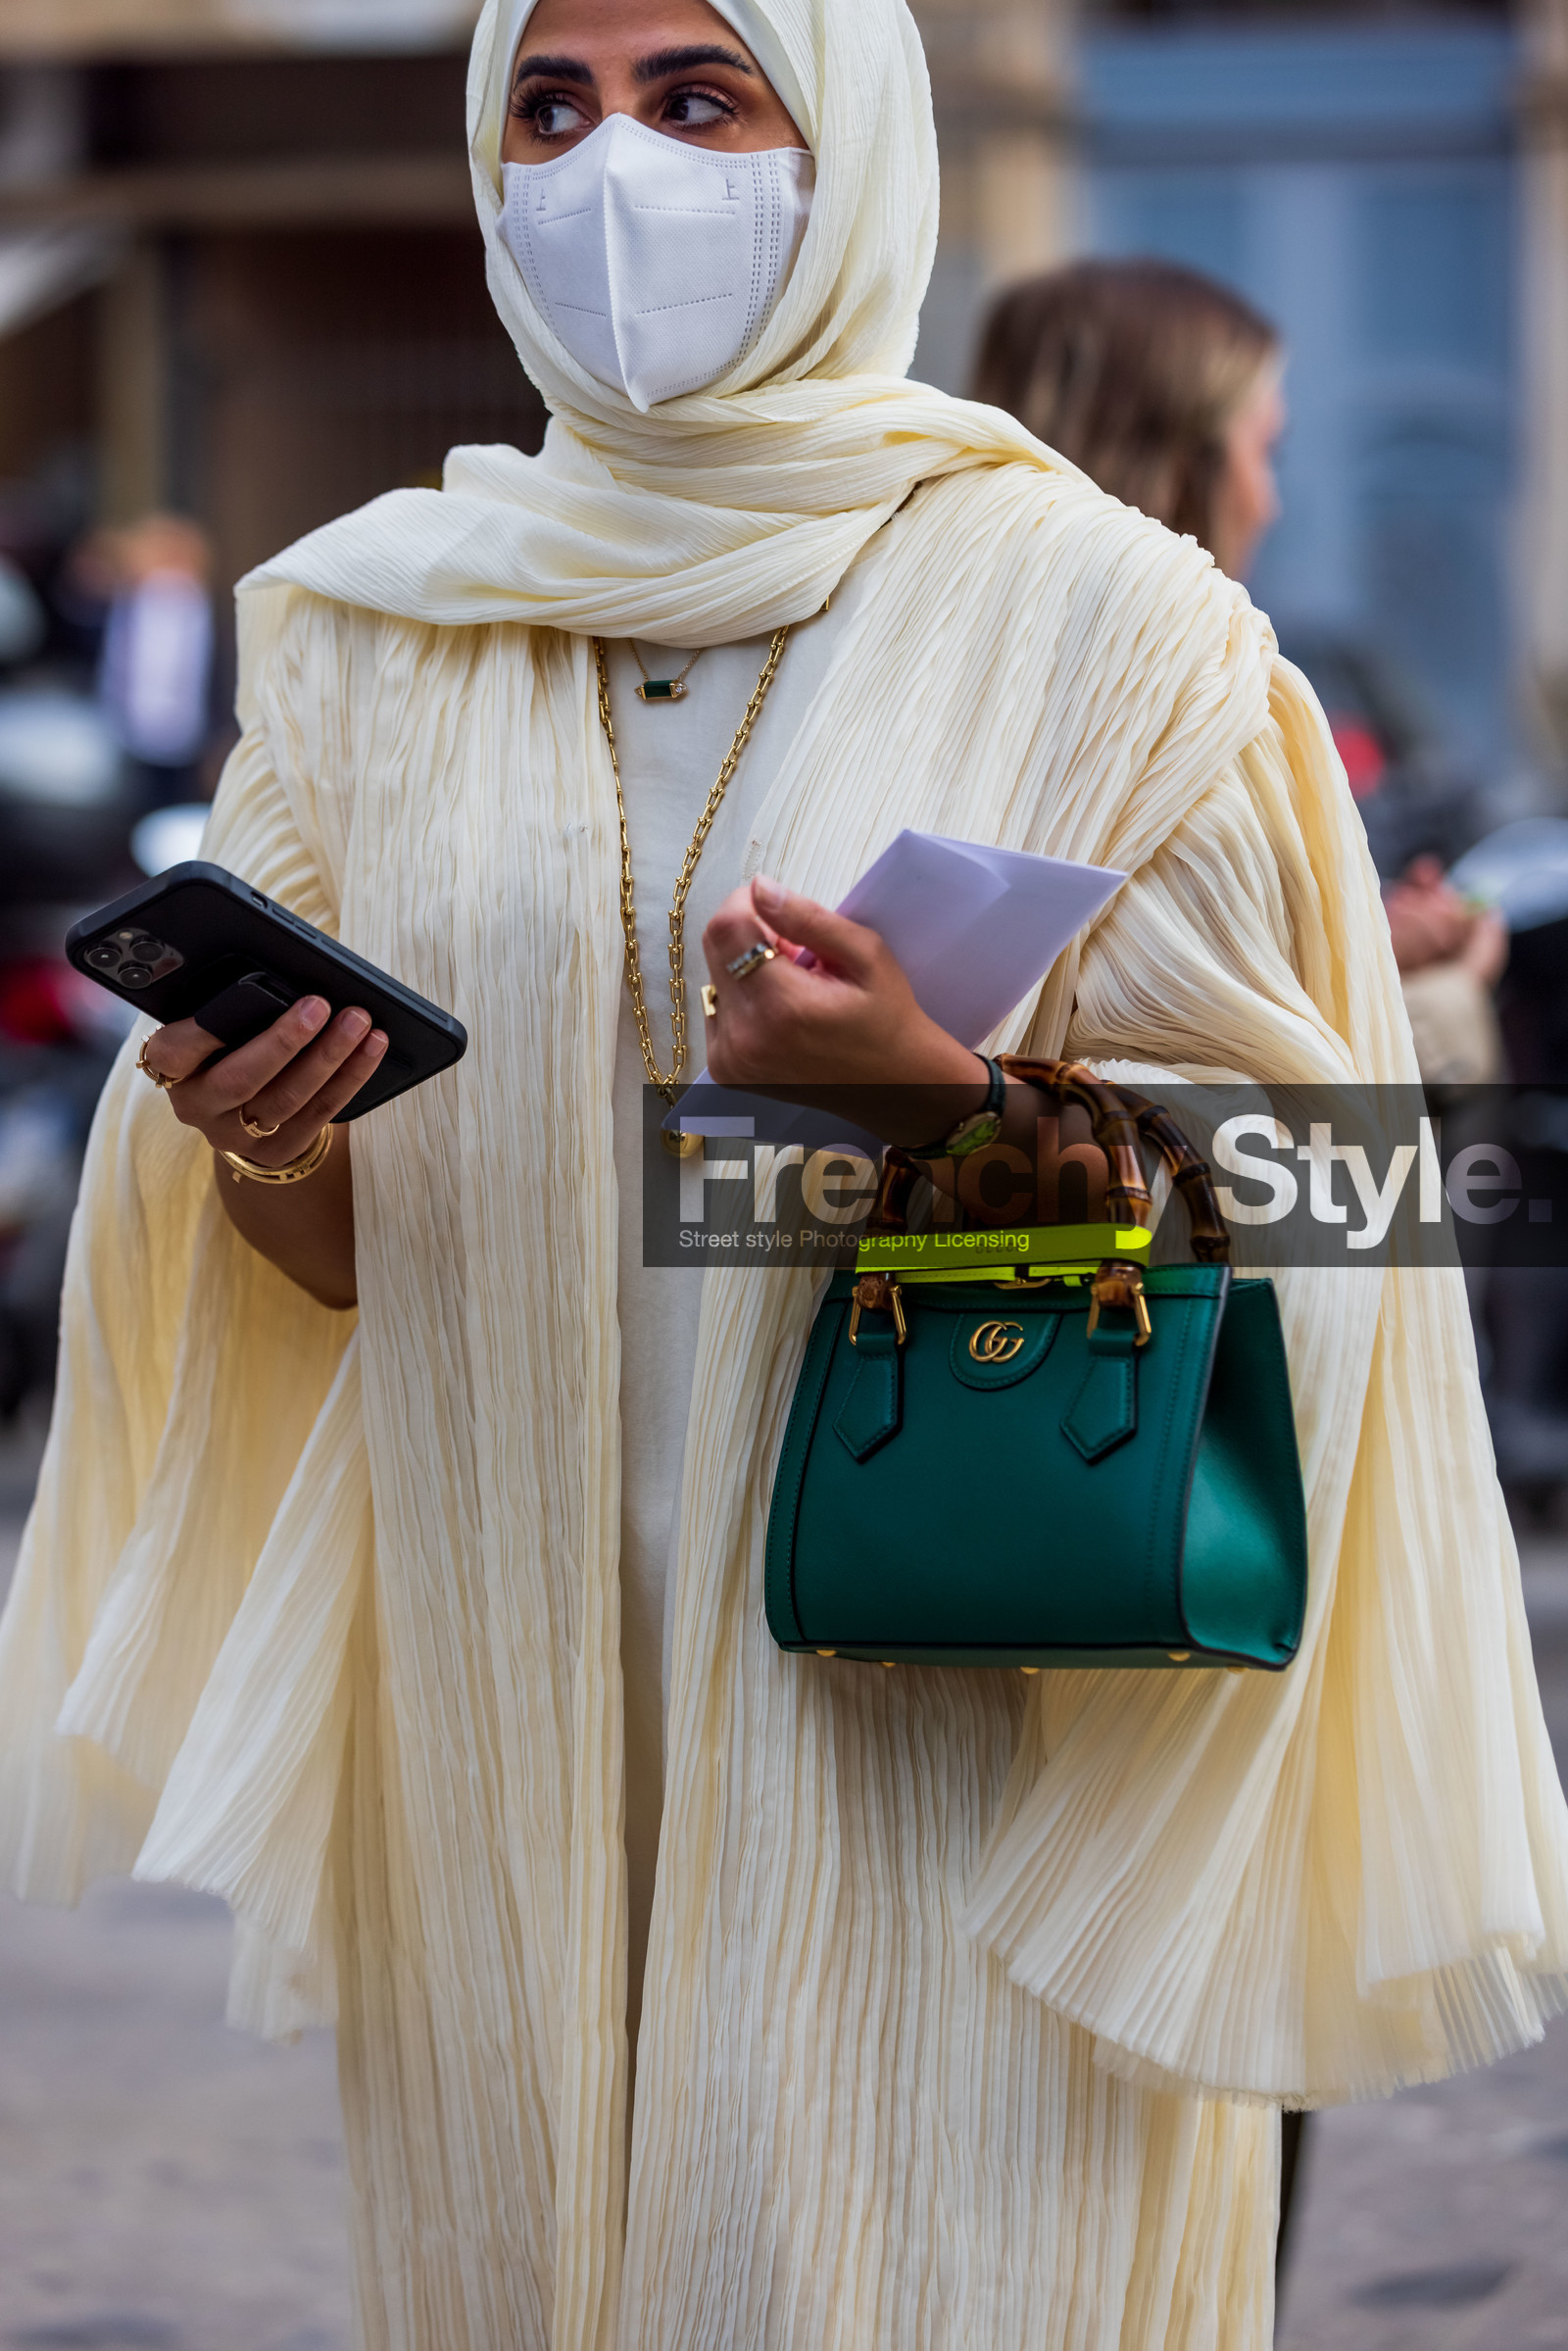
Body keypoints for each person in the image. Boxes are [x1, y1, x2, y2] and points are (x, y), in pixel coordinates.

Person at [0, 10, 1564, 2350]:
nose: (610, 165)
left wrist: (929, 1100)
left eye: (697, 97)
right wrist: (266, 1135)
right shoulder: (368, 628)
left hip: (936, 1709)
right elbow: (317, 1261)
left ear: (853, 144)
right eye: (551, 105)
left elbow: (1330, 1202)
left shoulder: (1105, 621)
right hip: (506, 1722)